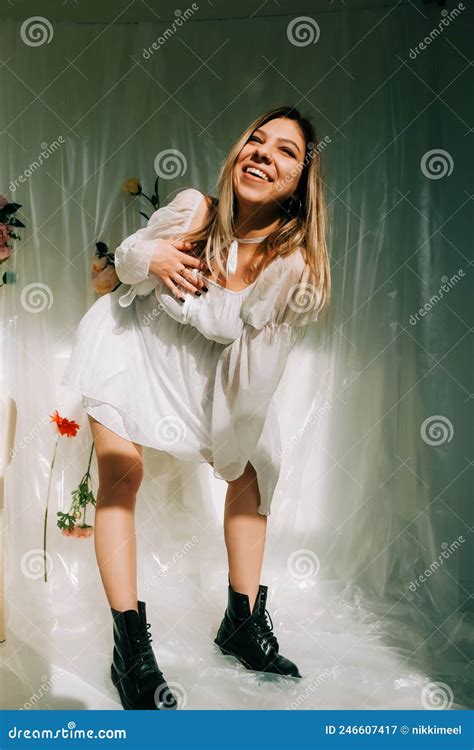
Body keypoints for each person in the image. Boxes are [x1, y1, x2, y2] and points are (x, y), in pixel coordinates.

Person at [61, 104, 331, 710]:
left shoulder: (292, 264)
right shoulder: (194, 209)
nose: (263, 152)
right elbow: (122, 265)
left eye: (285, 150)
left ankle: (241, 622)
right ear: (238, 153)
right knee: (120, 476)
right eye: (256, 141)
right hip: (130, 349)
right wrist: (149, 259)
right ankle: (129, 646)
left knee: (256, 472)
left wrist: (235, 445)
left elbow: (227, 332)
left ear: (299, 184)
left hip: (205, 377)